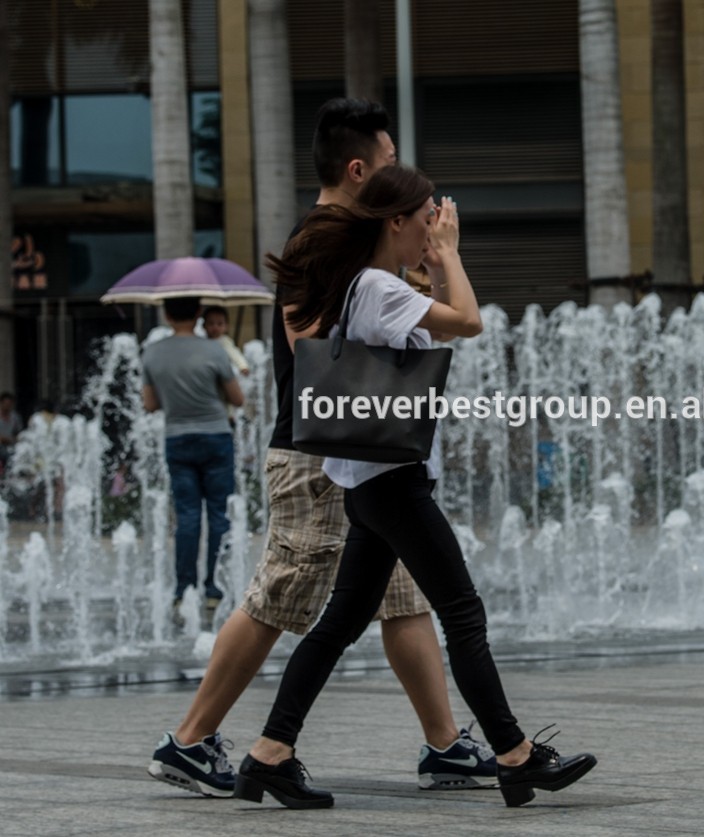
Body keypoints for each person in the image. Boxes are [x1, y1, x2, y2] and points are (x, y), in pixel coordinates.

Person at [148, 98, 494, 800]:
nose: (402, 183)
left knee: (403, 596)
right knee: (282, 593)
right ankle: (187, 740)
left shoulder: (357, 239)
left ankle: (445, 743)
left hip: (368, 450)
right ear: (359, 168)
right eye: (390, 165)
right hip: (318, 453)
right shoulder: (321, 238)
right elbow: (312, 343)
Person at [233, 164, 596, 811]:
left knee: (340, 622)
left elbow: (421, 334)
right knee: (462, 611)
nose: (434, 228)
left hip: (368, 483)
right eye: (427, 218)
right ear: (395, 222)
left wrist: (430, 267)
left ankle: (269, 752)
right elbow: (469, 321)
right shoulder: (374, 285)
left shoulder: (365, 284)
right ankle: (513, 756)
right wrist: (452, 256)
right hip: (393, 484)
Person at [141, 296, 243, 616]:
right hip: (216, 437)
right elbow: (237, 398)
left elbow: (149, 404)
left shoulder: (152, 353)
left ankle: (183, 589)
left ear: (166, 314)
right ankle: (214, 589)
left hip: (177, 439)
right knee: (218, 515)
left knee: (186, 517)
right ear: (199, 313)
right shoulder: (215, 349)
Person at [202, 305, 251, 377]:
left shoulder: (225, 341)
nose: (215, 327)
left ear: (226, 327)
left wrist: (242, 366)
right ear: (204, 325)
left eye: (220, 324)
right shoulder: (202, 341)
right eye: (211, 323)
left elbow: (234, 354)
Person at [0, 392, 23, 475]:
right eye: (6, 404)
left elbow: (19, 433)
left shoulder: (15, 418)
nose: (7, 406)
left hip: (11, 445)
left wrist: (13, 439)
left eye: (9, 404)